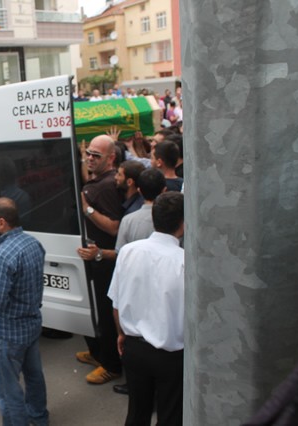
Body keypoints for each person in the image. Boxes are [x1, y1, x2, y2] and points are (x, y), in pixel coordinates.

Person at [108, 191, 185, 426]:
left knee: (137, 413)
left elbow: (116, 301)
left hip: (134, 347)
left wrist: (121, 333)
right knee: (170, 416)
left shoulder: (129, 251)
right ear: (183, 223)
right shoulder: (184, 261)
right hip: (171, 356)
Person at [0, 198, 49, 426]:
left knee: (7, 391)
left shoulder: (3, 255)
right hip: (31, 325)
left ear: (1, 223)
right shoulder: (33, 243)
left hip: (8, 334)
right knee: (34, 376)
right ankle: (39, 418)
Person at [75, 134, 124, 384]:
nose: (90, 158)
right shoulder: (99, 181)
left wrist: (87, 208)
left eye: (96, 155)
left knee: (105, 314)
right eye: (88, 153)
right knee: (94, 310)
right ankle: (99, 354)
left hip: (105, 261)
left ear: (111, 158)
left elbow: (114, 227)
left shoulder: (106, 186)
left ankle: (111, 365)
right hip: (93, 259)